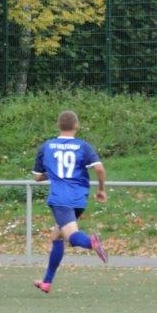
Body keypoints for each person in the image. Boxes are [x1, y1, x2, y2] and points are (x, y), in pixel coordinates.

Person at [31, 110, 108, 294]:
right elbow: (99, 169)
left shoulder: (47, 147)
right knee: (57, 236)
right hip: (79, 199)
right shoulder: (83, 146)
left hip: (60, 199)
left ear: (58, 126)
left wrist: (52, 173)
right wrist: (101, 189)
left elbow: (37, 177)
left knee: (72, 235)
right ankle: (47, 282)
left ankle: (91, 242)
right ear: (76, 126)